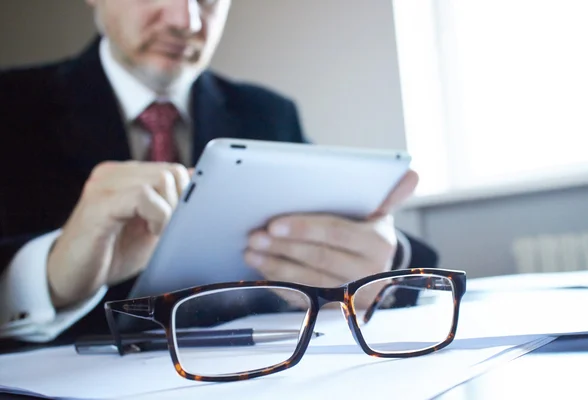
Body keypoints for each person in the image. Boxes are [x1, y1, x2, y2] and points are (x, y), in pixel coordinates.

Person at [0, 0, 437, 348]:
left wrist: (384, 262)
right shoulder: (12, 108)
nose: (186, 19)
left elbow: (392, 256)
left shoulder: (269, 114)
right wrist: (46, 278)